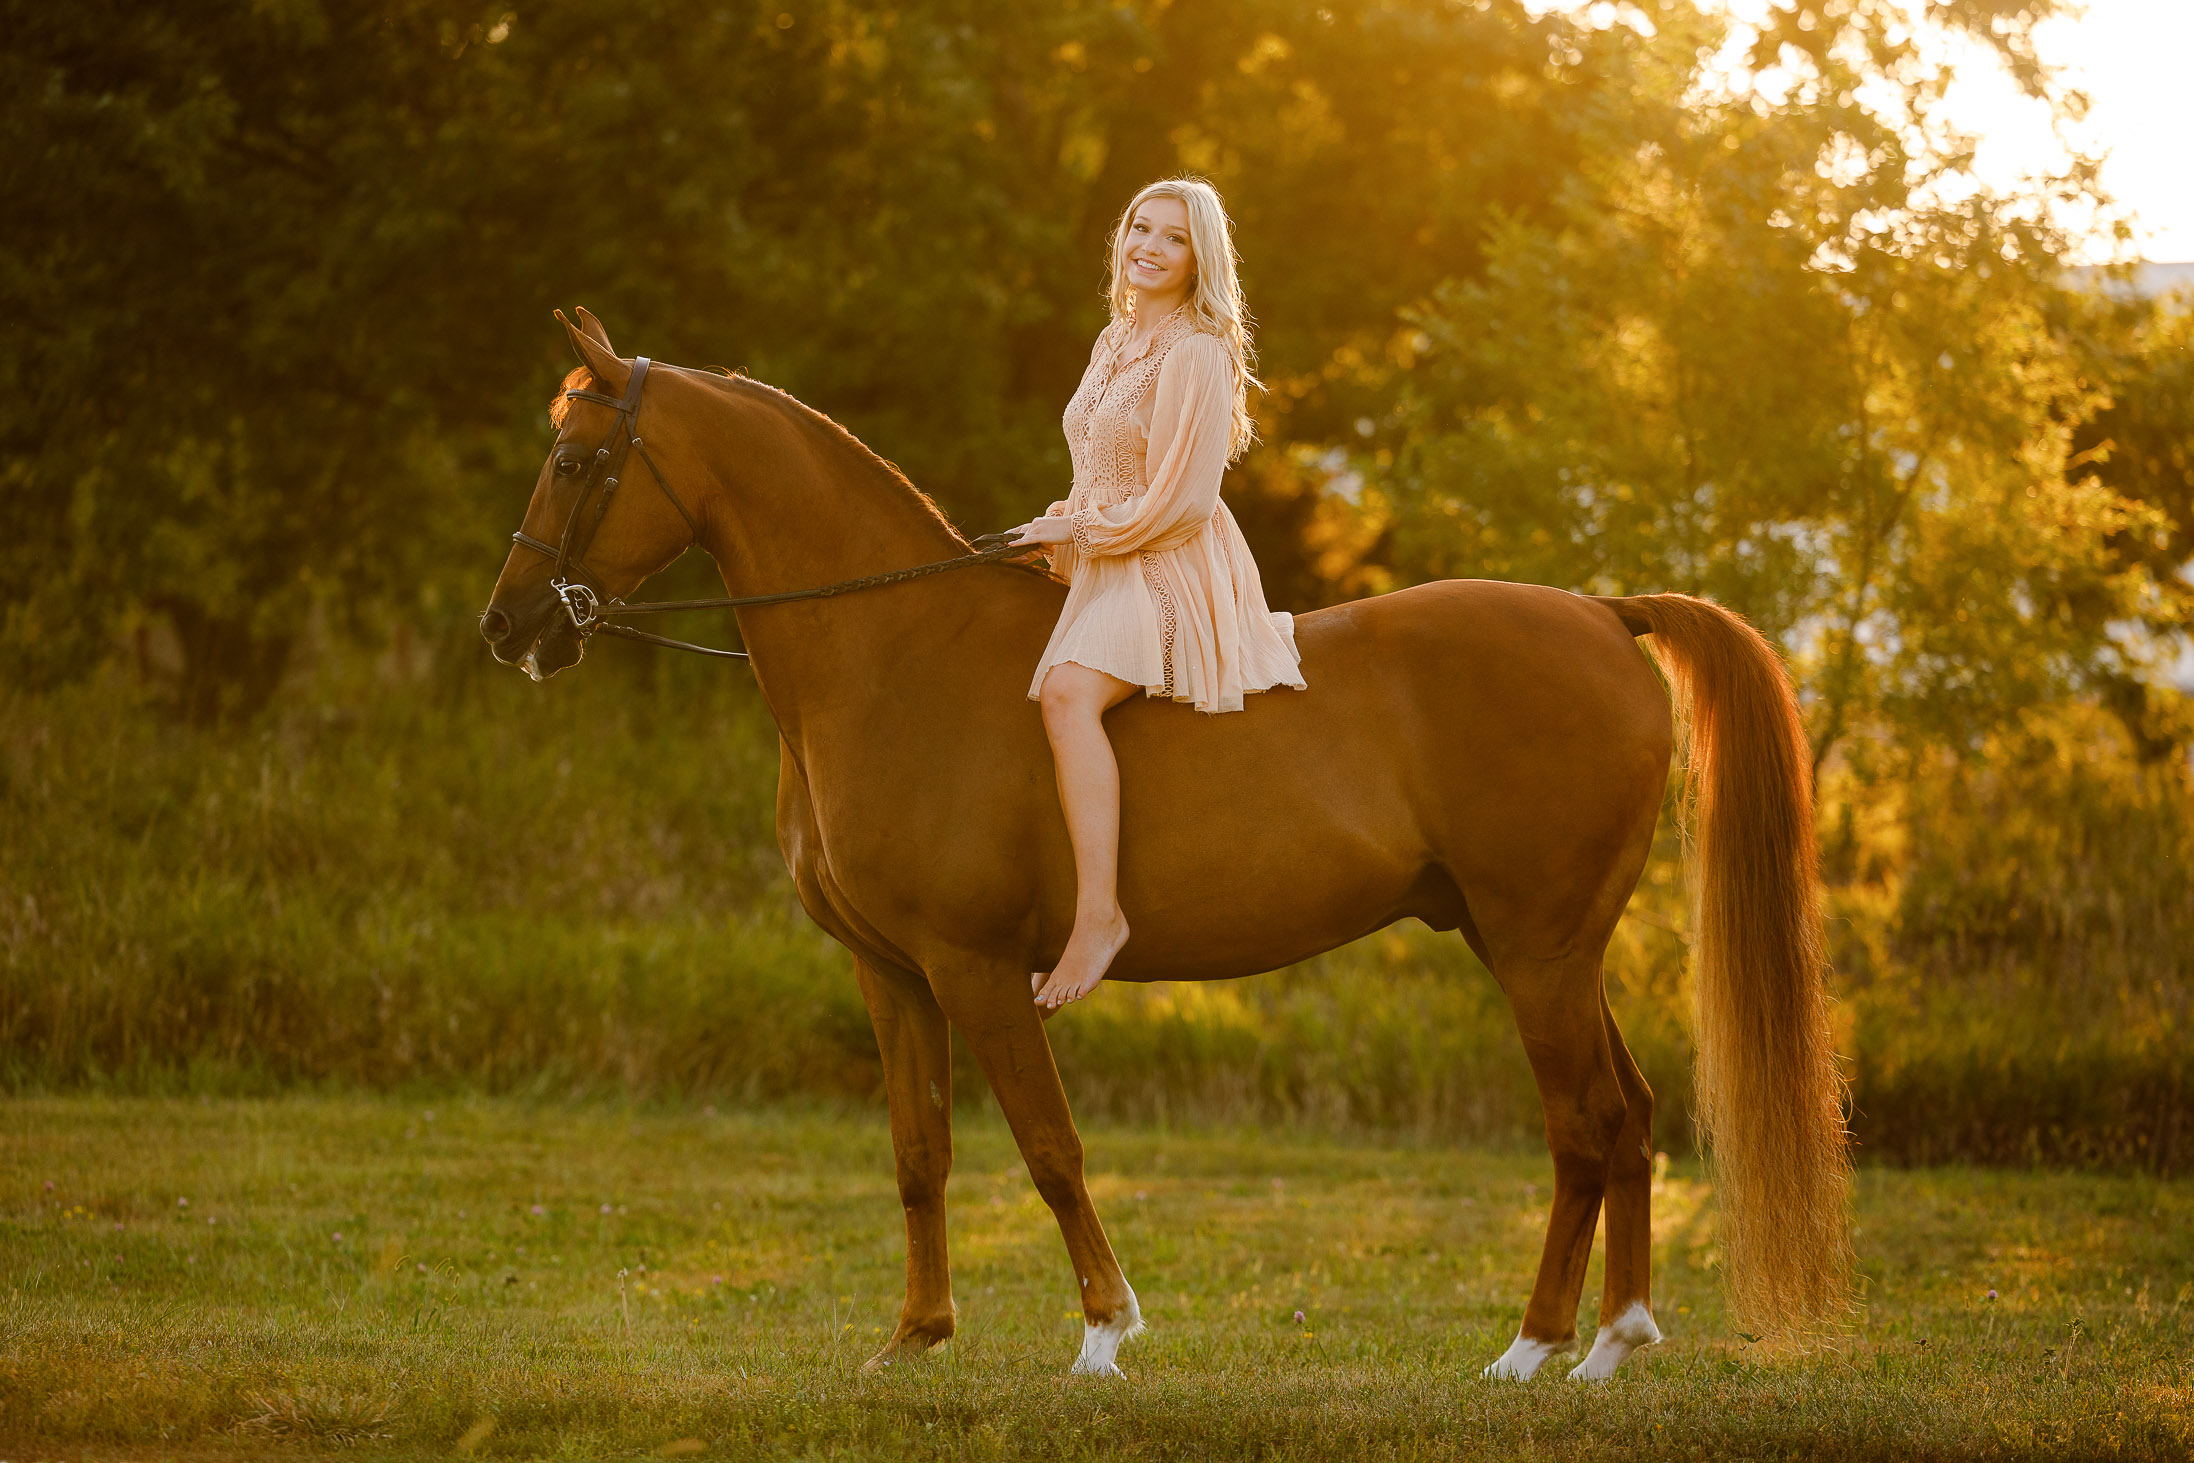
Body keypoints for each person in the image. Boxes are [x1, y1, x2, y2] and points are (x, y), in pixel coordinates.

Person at [1008, 178, 1307, 1012]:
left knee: (1067, 693)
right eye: (1140, 227)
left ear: (1199, 257)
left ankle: (1099, 916)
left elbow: (1181, 501)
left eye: (1172, 237)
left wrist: (1083, 533)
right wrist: (1058, 519)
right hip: (1104, 549)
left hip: (1168, 558)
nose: (1148, 245)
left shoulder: (1197, 352)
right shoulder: (1116, 339)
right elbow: (1099, 469)